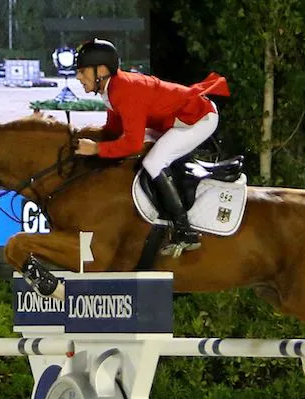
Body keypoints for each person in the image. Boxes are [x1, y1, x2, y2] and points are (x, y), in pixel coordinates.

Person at [74, 38, 230, 252]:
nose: (78, 77)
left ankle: (184, 229)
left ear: (100, 70)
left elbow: (132, 143)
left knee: (154, 162)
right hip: (176, 120)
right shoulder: (111, 88)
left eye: (82, 71)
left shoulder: (124, 90)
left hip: (197, 118)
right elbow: (113, 131)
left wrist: (96, 149)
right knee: (148, 153)